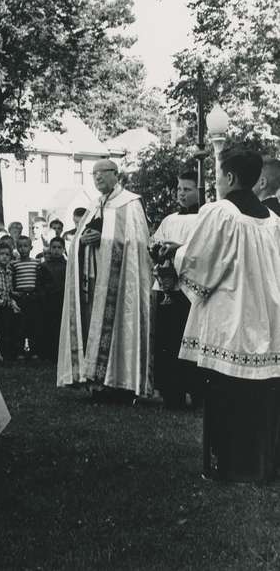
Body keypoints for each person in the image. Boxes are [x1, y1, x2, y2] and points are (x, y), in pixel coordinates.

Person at [161, 146, 280, 481]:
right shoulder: (273, 221)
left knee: (227, 396)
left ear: (229, 177)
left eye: (217, 175)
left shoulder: (222, 213)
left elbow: (201, 265)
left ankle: (228, 466)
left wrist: (178, 253)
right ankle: (263, 465)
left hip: (231, 320)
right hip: (267, 320)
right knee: (263, 396)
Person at [57, 159, 153, 400]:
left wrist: (102, 237)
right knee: (92, 325)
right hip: (94, 278)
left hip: (119, 285)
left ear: (115, 174)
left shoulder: (130, 203)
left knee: (119, 326)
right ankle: (95, 381)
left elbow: (138, 242)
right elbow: (78, 237)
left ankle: (120, 382)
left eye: (102, 173)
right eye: (94, 174)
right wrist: (84, 240)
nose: (97, 178)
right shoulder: (94, 204)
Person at [150, 168, 201, 409]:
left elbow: (204, 251)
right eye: (179, 189)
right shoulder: (169, 219)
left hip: (190, 291)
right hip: (166, 286)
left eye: (187, 189)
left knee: (188, 341)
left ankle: (195, 390)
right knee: (167, 341)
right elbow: (154, 242)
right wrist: (159, 251)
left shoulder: (204, 218)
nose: (181, 194)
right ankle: (172, 392)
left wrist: (178, 249)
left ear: (199, 190)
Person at [0, 243, 21, 361]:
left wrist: (13, 303)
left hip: (6, 305)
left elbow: (8, 291)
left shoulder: (9, 272)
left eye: (7, 255)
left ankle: (8, 355)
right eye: (2, 254)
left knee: (8, 330)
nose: (4, 257)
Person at [37, 236, 68, 362]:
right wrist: (43, 297)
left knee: (60, 327)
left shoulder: (68, 265)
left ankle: (60, 354)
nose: (56, 250)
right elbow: (40, 284)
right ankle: (48, 354)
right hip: (48, 301)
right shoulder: (44, 266)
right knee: (48, 327)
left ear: (64, 249)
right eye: (54, 247)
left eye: (59, 248)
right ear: (50, 248)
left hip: (62, 300)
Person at [11, 235, 42, 358]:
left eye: (25, 246)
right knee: (20, 324)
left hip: (33, 296)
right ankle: (20, 350)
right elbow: (12, 280)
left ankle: (34, 350)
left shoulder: (36, 263)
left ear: (31, 247)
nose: (23, 249)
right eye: (20, 246)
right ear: (16, 248)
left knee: (33, 324)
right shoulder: (14, 264)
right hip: (20, 296)